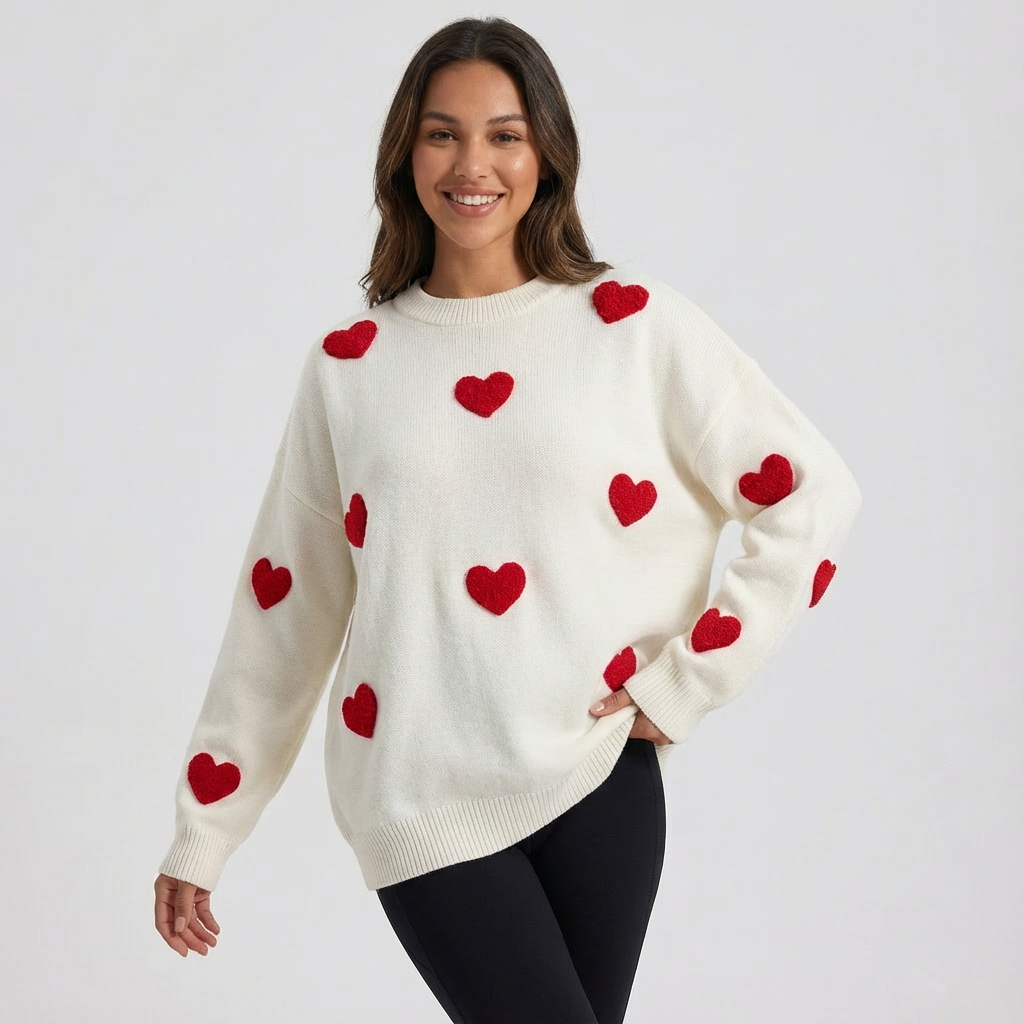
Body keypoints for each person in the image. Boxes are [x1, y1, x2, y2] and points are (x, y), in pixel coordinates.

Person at [153, 16, 862, 1024]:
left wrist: (688, 681)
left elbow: (810, 490)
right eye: (441, 134)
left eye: (505, 135)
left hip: (599, 780)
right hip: (417, 794)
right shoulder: (351, 365)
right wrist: (206, 828)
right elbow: (285, 605)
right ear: (405, 154)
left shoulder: (633, 325)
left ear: (547, 156)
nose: (471, 164)